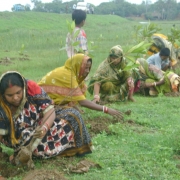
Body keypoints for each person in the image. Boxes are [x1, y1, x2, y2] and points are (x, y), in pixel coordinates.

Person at [0, 71, 92, 161]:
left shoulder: (32, 88)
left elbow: (49, 110)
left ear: (23, 88)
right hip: (20, 135)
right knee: (26, 138)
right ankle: (23, 153)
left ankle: (70, 149)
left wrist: (43, 128)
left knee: (73, 115)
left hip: (40, 123)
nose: (15, 98)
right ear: (3, 94)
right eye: (10, 95)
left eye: (18, 93)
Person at [38, 54, 124, 119]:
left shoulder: (72, 74)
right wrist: (107, 110)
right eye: (85, 68)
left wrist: (74, 106)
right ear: (78, 65)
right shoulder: (68, 76)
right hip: (39, 103)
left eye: (89, 68)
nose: (87, 71)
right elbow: (83, 102)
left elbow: (67, 95)